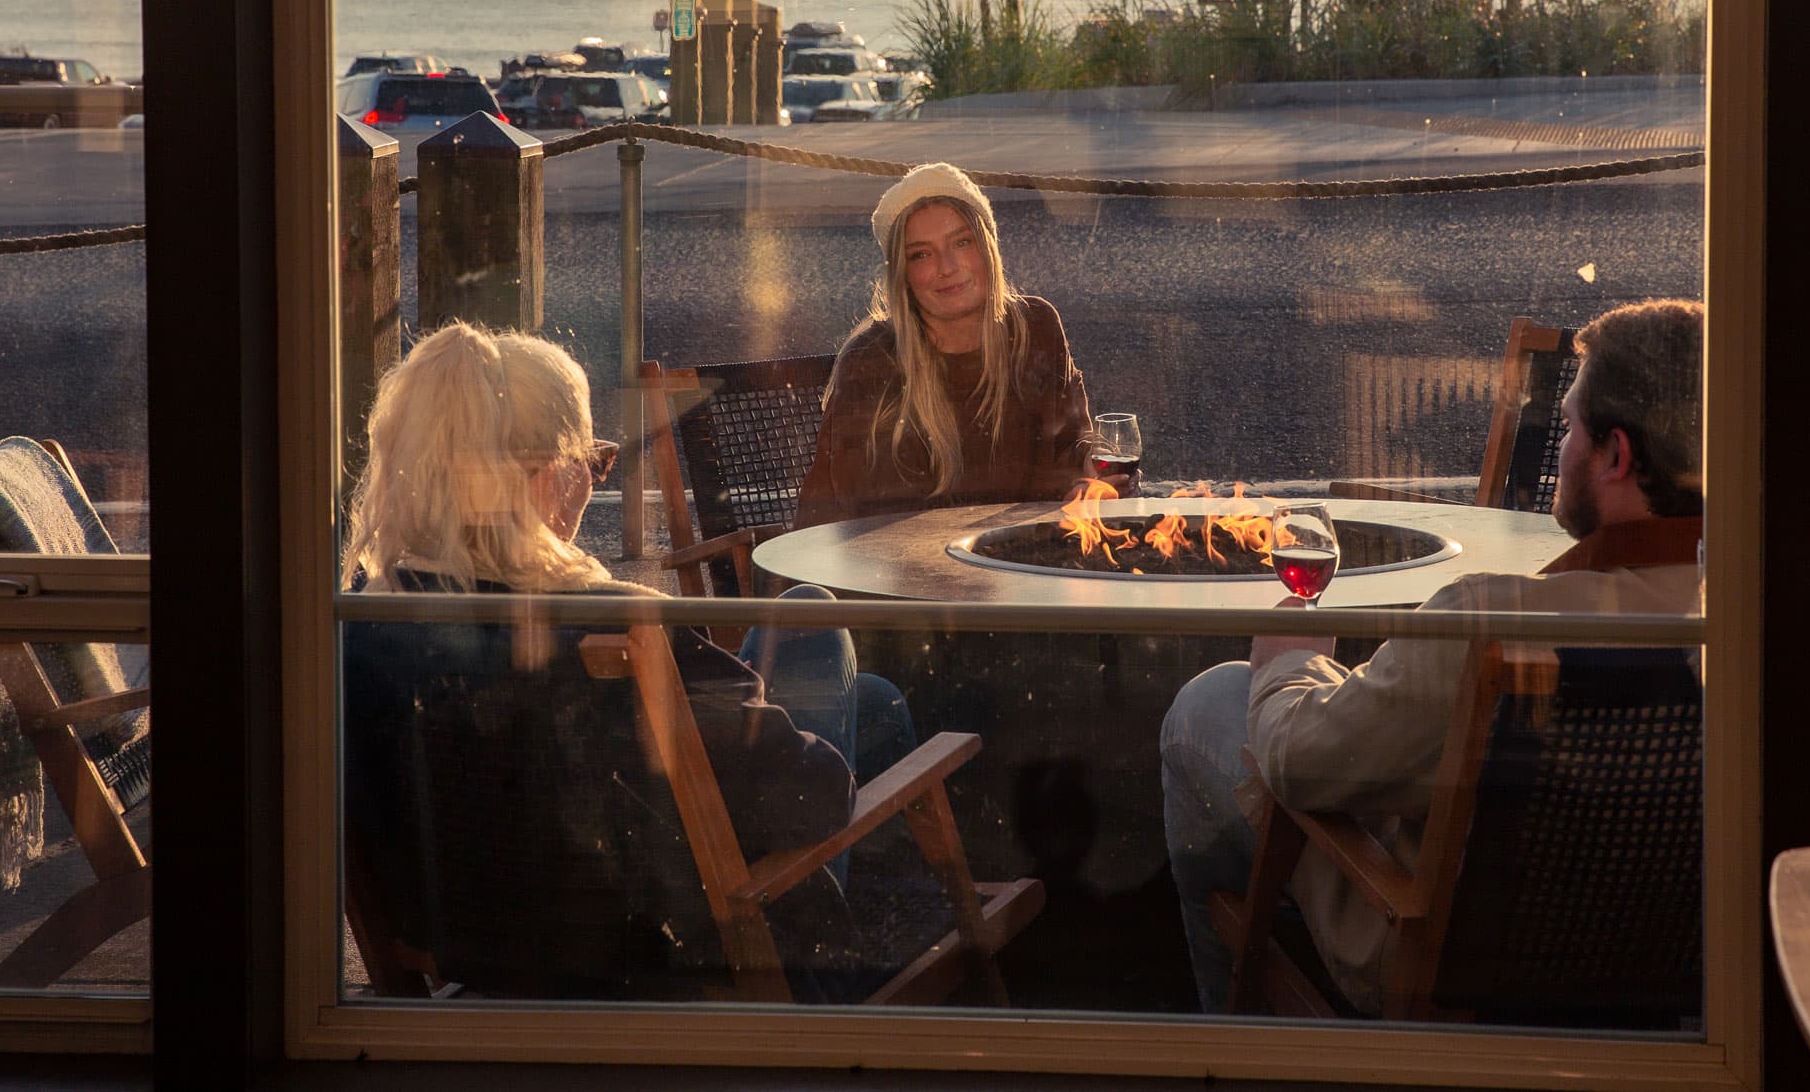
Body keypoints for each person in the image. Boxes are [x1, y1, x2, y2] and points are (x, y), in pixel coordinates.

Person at [1159, 298, 1705, 1015]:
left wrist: (1288, 660)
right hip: (1655, 971)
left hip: (1442, 963)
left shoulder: (1489, 621)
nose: (1563, 441)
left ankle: (1232, 1037)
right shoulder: (1739, 625)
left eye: (1570, 425)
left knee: (1208, 707)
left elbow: (1299, 759)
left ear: (1615, 454)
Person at [342, 320, 915, 867]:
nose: (594, 482)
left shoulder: (365, 621)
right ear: (544, 477)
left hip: (473, 931)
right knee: (810, 622)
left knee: (872, 698)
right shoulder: (616, 627)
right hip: (687, 947)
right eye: (595, 461)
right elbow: (810, 799)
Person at [795, 161, 1122, 527]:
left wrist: (1090, 480)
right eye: (922, 254)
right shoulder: (873, 361)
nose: (947, 267)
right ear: (903, 276)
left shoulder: (1035, 329)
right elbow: (861, 523)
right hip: (906, 573)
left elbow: (1074, 447)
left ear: (987, 248)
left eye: (961, 242)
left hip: (1025, 563)